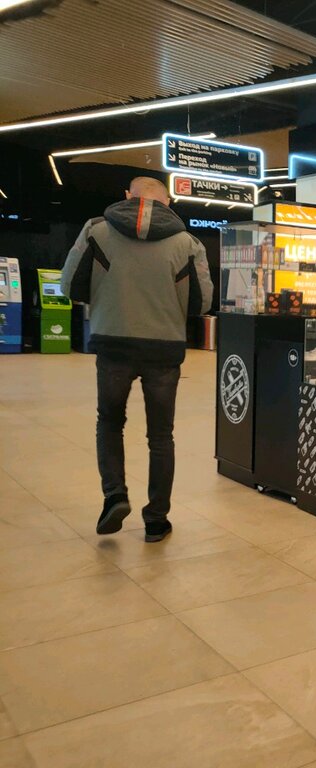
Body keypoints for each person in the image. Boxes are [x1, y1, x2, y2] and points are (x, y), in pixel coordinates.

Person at [61, 177, 212, 542]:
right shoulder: (188, 243)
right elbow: (202, 303)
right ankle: (156, 520)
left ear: (128, 196)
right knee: (161, 435)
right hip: (164, 349)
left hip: (112, 343)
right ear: (168, 202)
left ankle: (115, 496)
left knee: (110, 422)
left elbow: (69, 285)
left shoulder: (96, 231)